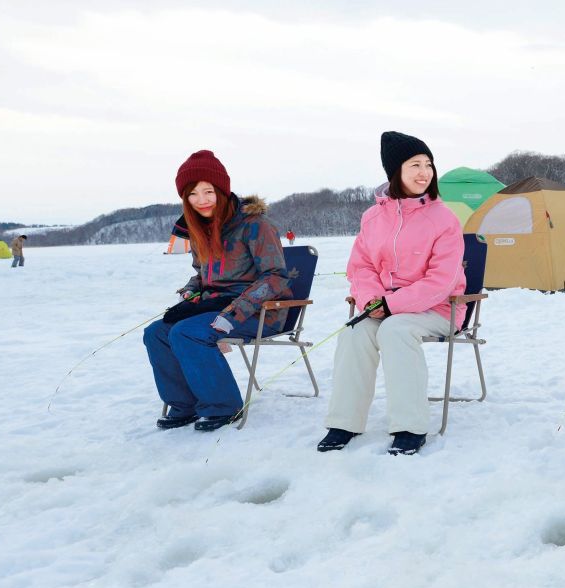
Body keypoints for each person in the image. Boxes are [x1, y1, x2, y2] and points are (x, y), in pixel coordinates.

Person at [317, 131, 465, 456]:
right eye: (415, 165)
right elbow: (361, 267)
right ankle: (344, 422)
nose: (424, 172)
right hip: (383, 308)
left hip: (438, 309)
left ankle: (410, 427)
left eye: (428, 164)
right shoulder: (373, 217)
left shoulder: (444, 219)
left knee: (397, 331)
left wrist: (392, 304)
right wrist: (372, 300)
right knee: (354, 333)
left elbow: (441, 280)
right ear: (395, 171)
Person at [143, 151, 291, 431]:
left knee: (187, 332)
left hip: (260, 312)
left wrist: (234, 312)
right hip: (214, 308)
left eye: (208, 191)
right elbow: (201, 275)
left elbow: (275, 277)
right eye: (193, 194)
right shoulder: (201, 229)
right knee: (156, 333)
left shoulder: (255, 225)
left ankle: (224, 406)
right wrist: (189, 291)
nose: (202, 200)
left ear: (222, 190)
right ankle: (184, 404)